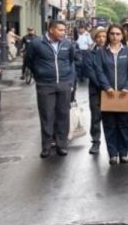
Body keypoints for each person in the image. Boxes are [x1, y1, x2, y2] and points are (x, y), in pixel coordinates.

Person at [24, 20, 79, 158]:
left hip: (64, 84)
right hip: (45, 85)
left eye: (64, 30)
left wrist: (70, 81)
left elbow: (71, 61)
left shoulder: (67, 44)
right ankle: (46, 146)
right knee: (47, 115)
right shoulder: (37, 43)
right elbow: (29, 61)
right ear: (51, 30)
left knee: (63, 115)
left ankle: (61, 145)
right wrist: (39, 75)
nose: (63, 33)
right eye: (60, 30)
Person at [93, 24, 128, 165]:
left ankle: (123, 153)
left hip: (124, 94)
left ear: (122, 36)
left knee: (124, 125)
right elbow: (99, 71)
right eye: (112, 34)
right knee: (109, 124)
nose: (115, 36)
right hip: (108, 94)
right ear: (108, 35)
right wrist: (106, 87)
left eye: (118, 34)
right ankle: (112, 153)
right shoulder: (101, 52)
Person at [84, 28, 107, 154]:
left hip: (112, 90)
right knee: (96, 117)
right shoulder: (89, 53)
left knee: (112, 118)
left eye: (104, 36)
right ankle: (95, 142)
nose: (101, 39)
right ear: (94, 38)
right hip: (96, 90)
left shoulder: (112, 51)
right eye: (98, 36)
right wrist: (104, 86)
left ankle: (112, 144)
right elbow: (90, 72)